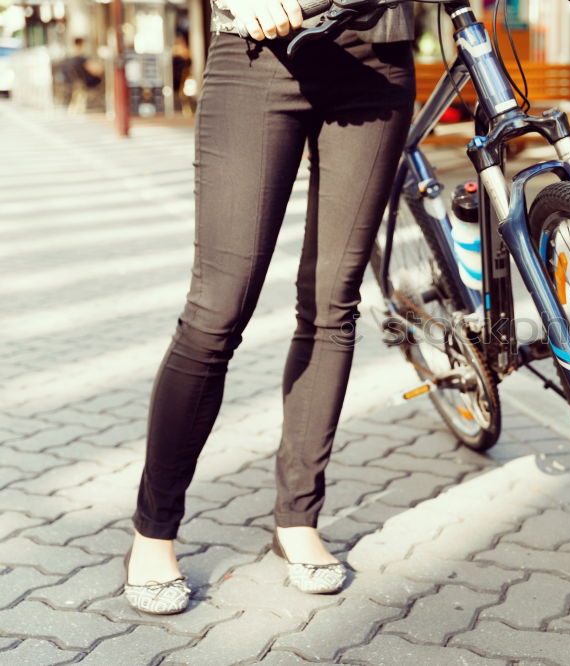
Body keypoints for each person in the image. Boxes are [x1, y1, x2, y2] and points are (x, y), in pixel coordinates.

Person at [123, 0, 416, 615]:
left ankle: (298, 519)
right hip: (260, 55)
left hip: (377, 55)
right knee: (217, 310)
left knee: (332, 305)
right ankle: (154, 531)